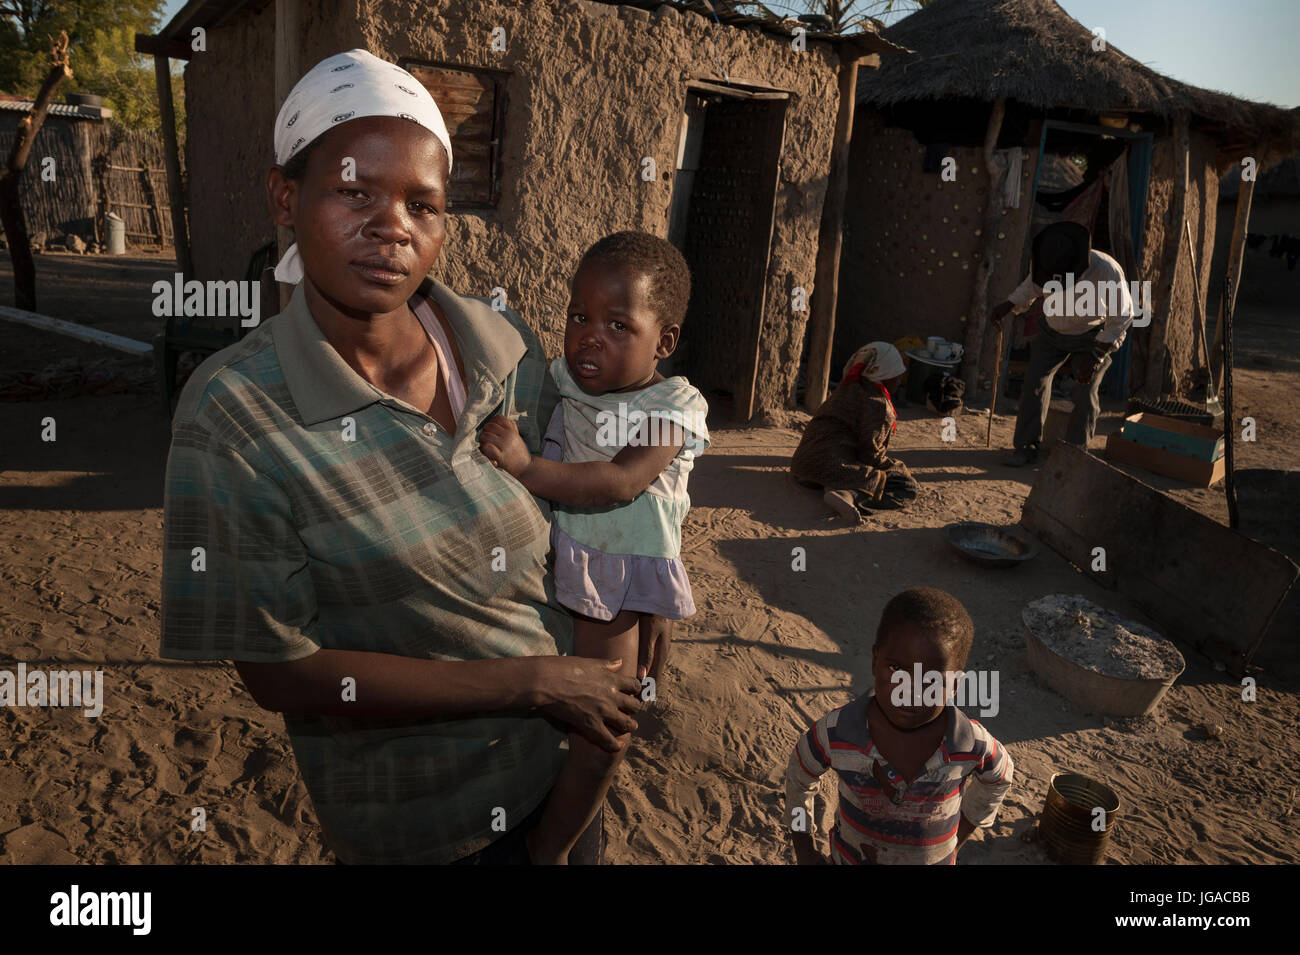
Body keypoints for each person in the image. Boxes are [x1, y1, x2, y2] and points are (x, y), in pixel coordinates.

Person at [159, 50, 647, 865]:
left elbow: (579, 520)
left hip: (564, 781)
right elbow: (278, 671)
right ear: (286, 196)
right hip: (421, 826)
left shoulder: (505, 350)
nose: (393, 227)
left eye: (423, 204)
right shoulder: (235, 416)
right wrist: (530, 682)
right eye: (355, 192)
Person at [479, 231, 709, 865]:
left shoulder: (674, 405)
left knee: (602, 725)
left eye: (616, 324)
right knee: (558, 707)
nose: (589, 336)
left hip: (616, 585)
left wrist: (527, 468)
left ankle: (554, 847)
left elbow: (620, 482)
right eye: (578, 316)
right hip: (563, 566)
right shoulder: (563, 382)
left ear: (664, 340)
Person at [785, 587, 1013, 865]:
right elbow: (799, 774)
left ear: (955, 684)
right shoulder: (837, 733)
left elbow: (999, 778)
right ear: (874, 660)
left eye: (930, 678)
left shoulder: (971, 744)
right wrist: (804, 850)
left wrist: (960, 834)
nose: (909, 690)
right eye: (895, 669)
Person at [991, 221, 1136, 467]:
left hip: (1091, 337)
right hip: (1052, 332)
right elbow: (1031, 287)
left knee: (1085, 390)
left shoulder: (1106, 271)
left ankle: (1074, 454)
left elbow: (1122, 317)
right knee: (1034, 384)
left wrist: (1096, 357)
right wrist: (1008, 305)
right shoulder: (1047, 261)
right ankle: (1026, 447)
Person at [790, 341, 919, 524]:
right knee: (905, 487)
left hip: (802, 469)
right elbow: (870, 456)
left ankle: (833, 486)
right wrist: (897, 467)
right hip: (833, 466)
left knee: (854, 464)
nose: (899, 380)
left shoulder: (846, 388)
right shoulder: (878, 405)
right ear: (883, 374)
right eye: (895, 375)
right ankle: (849, 494)